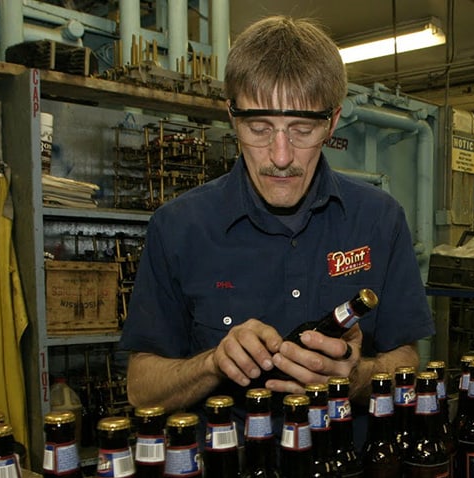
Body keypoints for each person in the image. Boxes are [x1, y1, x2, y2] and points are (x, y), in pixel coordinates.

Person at [120, 16, 435, 426]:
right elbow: (141, 389)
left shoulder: (379, 219)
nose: (281, 156)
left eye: (302, 130)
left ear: (332, 122)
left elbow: (407, 359)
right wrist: (213, 364)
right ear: (232, 117)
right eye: (259, 128)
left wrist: (355, 377)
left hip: (349, 477)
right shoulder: (179, 227)